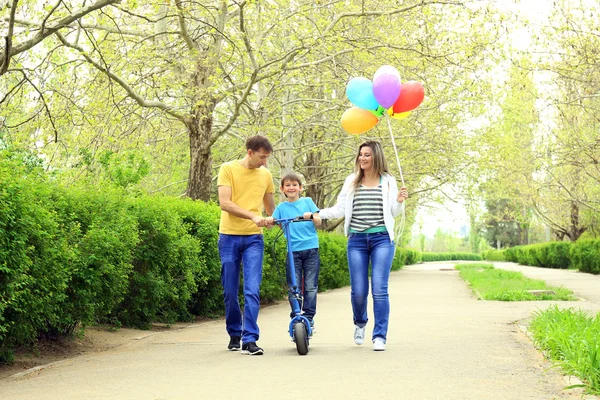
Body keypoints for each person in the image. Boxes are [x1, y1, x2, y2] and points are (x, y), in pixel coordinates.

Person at [317, 140, 408, 351]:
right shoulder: (352, 181)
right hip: (357, 241)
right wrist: (319, 214)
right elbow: (340, 209)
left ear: (376, 157)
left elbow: (394, 212)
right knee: (358, 291)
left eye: (367, 154)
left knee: (379, 289)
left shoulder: (388, 181)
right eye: (361, 155)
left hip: (382, 240)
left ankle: (379, 336)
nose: (362, 158)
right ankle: (360, 323)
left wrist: (400, 201)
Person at [217, 135, 276, 356]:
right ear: (250, 152)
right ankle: (235, 332)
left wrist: (278, 220)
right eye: (262, 157)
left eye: (267, 158)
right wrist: (252, 216)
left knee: (252, 289)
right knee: (230, 291)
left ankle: (250, 339)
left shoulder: (266, 175)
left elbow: (271, 208)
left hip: (254, 239)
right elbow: (225, 203)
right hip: (229, 236)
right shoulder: (228, 169)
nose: (265, 162)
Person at [272, 173, 322, 334]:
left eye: (295, 185)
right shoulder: (281, 208)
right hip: (293, 251)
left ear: (300, 188)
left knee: (310, 285)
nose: (291, 187)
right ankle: (296, 313)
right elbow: (274, 224)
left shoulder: (307, 202)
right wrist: (269, 221)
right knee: (293, 286)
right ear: (282, 189)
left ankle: (309, 316)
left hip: (311, 249)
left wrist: (312, 216)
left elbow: (319, 221)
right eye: (288, 185)